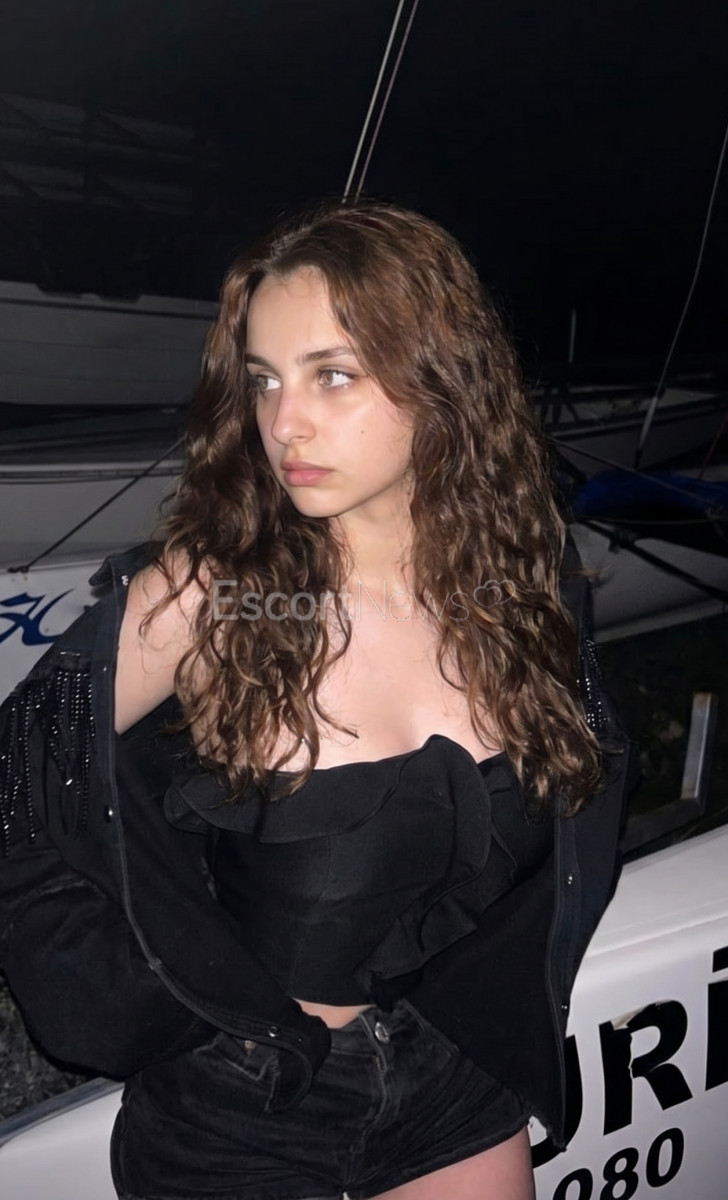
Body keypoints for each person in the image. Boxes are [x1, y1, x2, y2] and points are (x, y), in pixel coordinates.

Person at [0, 201, 631, 1200]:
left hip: (456, 1078)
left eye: (331, 374)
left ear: (440, 376)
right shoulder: (213, 599)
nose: (284, 423)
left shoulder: (520, 588)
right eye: (264, 380)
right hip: (246, 1110)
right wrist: (132, 988)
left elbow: (581, 821)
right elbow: (18, 770)